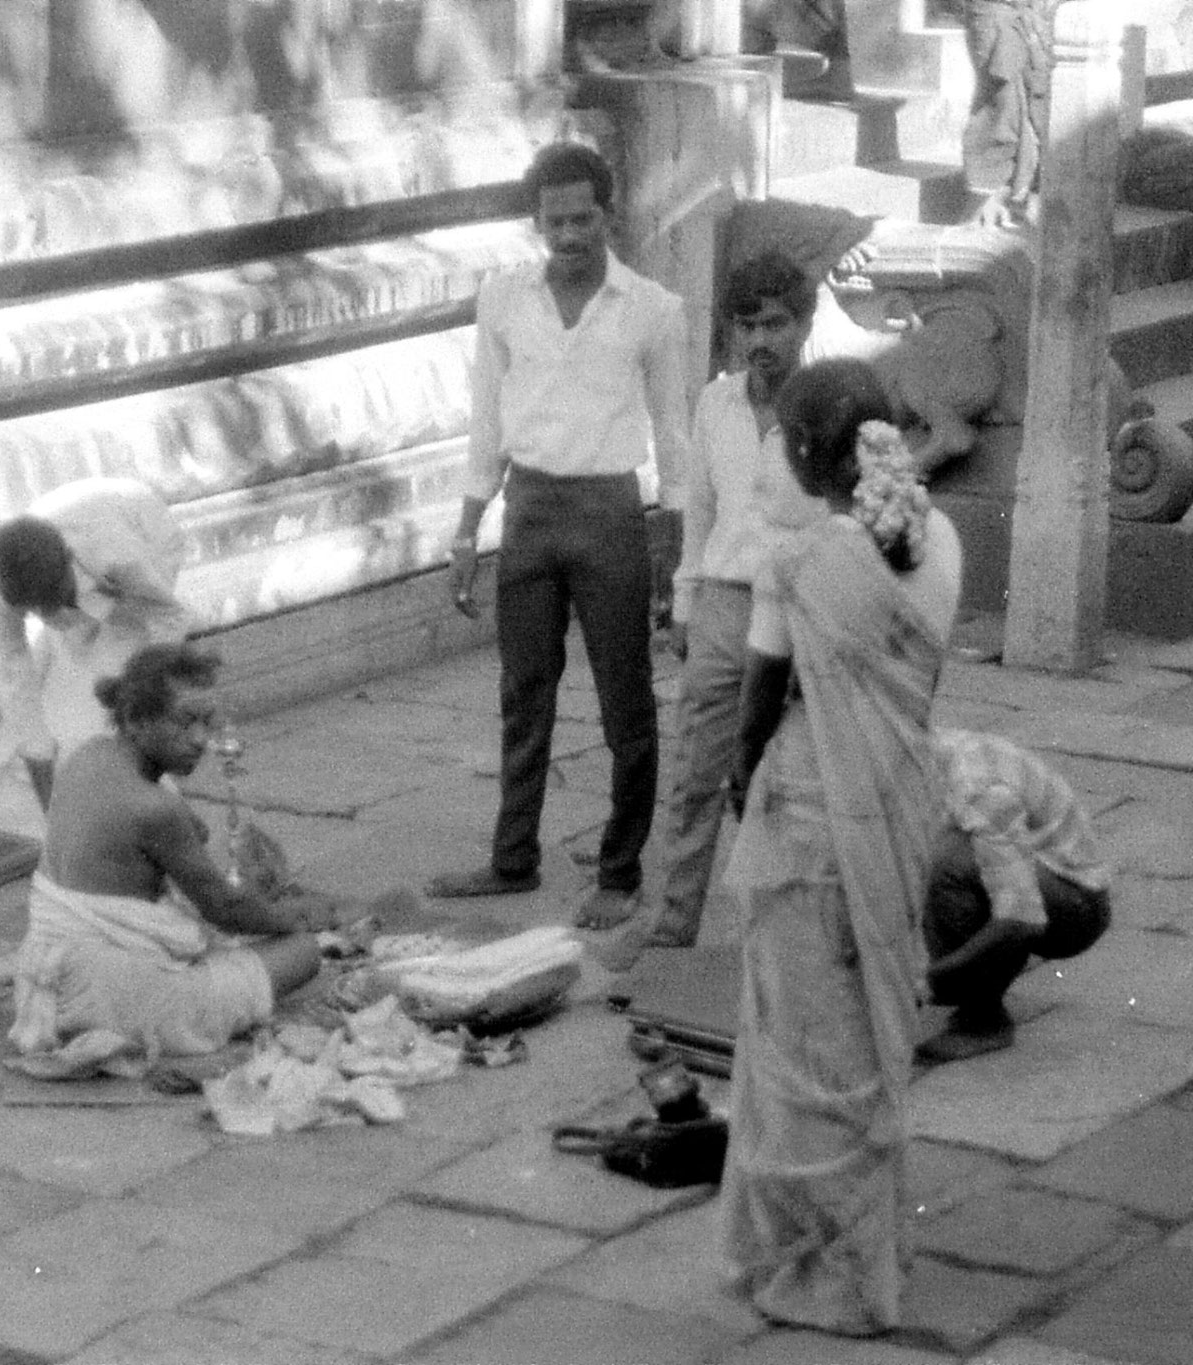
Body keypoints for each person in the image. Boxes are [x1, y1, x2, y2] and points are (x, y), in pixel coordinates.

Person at [718, 358, 964, 1335]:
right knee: (869, 1035)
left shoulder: (802, 561)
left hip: (810, 814)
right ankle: (869, 1251)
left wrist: (739, 784)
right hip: (900, 798)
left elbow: (754, 707)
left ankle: (837, 1281)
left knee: (805, 1049)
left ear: (806, 455)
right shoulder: (936, 536)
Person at [431, 142, 692, 931]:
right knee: (524, 692)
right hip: (531, 511)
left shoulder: (653, 309)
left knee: (625, 702)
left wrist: (674, 539)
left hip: (611, 514)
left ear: (607, 215)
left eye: (584, 218)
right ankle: (513, 857)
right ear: (536, 222)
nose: (571, 234)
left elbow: (672, 433)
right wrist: (468, 527)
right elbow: (485, 420)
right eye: (556, 221)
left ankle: (620, 865)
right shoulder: (504, 300)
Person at [7, 643, 322, 1061]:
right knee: (303, 952)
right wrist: (293, 920)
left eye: (207, 722)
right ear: (136, 720)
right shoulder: (155, 808)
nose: (200, 740)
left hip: (39, 980)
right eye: (184, 722)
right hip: (105, 997)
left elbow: (180, 832)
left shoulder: (88, 755)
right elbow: (223, 910)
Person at [650, 251, 827, 950]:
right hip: (725, 604)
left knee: (793, 781)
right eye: (747, 325)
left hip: (804, 607)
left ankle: (786, 939)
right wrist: (686, 606)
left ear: (805, 324)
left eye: (777, 324)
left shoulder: (831, 403)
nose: (761, 341)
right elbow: (699, 510)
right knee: (696, 771)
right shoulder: (715, 402)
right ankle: (671, 928)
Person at [0, 477, 189, 838]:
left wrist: (145, 689)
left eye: (59, 599)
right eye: (39, 610)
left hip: (146, 532)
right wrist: (54, 818)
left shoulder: (115, 551)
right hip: (82, 576)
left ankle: (154, 814)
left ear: (68, 561)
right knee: (62, 701)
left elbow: (168, 617)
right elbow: (16, 688)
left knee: (110, 694)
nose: (52, 616)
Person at [915, 727, 1112, 1064]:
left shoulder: (978, 787)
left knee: (949, 865)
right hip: (1026, 873)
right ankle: (985, 967)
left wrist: (931, 980)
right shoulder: (928, 756)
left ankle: (983, 1020)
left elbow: (1022, 918)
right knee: (937, 859)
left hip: (1076, 903)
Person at [961, 0, 1055, 229]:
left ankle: (1015, 198)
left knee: (1032, 105)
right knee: (1002, 103)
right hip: (994, 15)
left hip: (1028, 15)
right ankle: (984, 202)